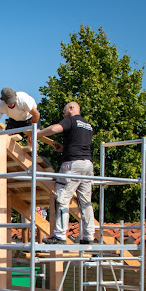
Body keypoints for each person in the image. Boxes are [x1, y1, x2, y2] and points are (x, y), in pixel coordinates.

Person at [38, 101, 96, 244]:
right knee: (85, 202)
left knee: (62, 199)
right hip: (87, 165)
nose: (63, 113)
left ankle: (59, 235)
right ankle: (89, 236)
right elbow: (79, 145)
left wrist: (38, 133)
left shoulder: (71, 120)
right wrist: (64, 148)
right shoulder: (88, 125)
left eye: (64, 110)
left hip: (72, 165)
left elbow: (54, 129)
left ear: (71, 108)